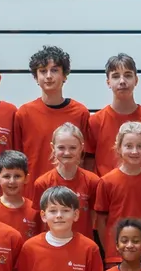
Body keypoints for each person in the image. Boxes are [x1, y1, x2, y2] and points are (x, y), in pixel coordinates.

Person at [14, 46, 93, 182]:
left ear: (64, 76)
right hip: (34, 193)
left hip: (71, 195)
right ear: (36, 77)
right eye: (43, 71)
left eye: (54, 70)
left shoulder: (80, 113)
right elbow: (16, 159)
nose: (49, 76)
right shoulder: (24, 113)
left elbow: (88, 159)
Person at [94, 121, 141, 266]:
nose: (134, 151)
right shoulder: (107, 182)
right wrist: (110, 251)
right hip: (116, 257)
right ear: (119, 148)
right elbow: (101, 222)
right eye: (128, 146)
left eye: (140, 146)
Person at [88, 53, 141, 178]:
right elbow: (87, 165)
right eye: (116, 76)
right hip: (104, 194)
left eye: (128, 75)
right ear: (108, 82)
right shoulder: (95, 121)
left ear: (136, 80)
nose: (122, 81)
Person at [31, 124, 100, 242]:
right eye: (61, 147)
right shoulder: (43, 183)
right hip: (52, 246)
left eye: (72, 148)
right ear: (53, 147)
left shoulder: (93, 181)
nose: (67, 152)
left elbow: (95, 217)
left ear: (81, 147)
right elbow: (39, 221)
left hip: (82, 246)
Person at [0, 150, 41, 239]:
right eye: (6, 176)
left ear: (26, 178)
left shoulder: (35, 210)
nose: (12, 181)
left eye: (17, 176)